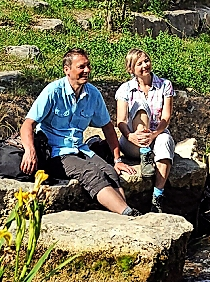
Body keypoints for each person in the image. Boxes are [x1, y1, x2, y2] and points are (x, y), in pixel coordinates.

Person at [20, 47, 140, 216]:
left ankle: (123, 214)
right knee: (91, 173)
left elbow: (107, 127)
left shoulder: (93, 94)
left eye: (88, 66)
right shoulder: (53, 91)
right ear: (67, 70)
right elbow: (28, 124)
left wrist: (117, 159)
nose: (87, 70)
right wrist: (29, 150)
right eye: (81, 67)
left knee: (110, 171)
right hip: (56, 154)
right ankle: (129, 214)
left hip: (80, 149)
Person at [115, 49, 176, 214]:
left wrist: (154, 135)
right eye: (139, 63)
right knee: (141, 105)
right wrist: (131, 136)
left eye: (146, 61)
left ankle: (158, 195)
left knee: (165, 141)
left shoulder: (165, 85)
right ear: (131, 69)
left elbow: (166, 116)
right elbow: (120, 121)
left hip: (156, 135)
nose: (145, 65)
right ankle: (144, 151)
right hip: (133, 141)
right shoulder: (125, 89)